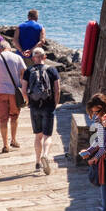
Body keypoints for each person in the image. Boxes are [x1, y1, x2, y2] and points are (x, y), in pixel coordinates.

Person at [23, 46, 61, 175]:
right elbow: (57, 90)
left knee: (38, 135)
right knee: (47, 135)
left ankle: (38, 161)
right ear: (44, 57)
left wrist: (29, 102)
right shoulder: (52, 70)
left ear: (33, 58)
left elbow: (24, 90)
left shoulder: (28, 71)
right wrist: (55, 103)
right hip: (48, 106)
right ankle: (45, 154)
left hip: (34, 106)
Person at [0, 40, 27, 153]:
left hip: (0, 92)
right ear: (9, 48)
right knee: (14, 116)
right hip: (14, 92)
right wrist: (22, 87)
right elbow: (24, 74)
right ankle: (14, 140)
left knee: (2, 119)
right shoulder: (17, 57)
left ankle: (5, 145)